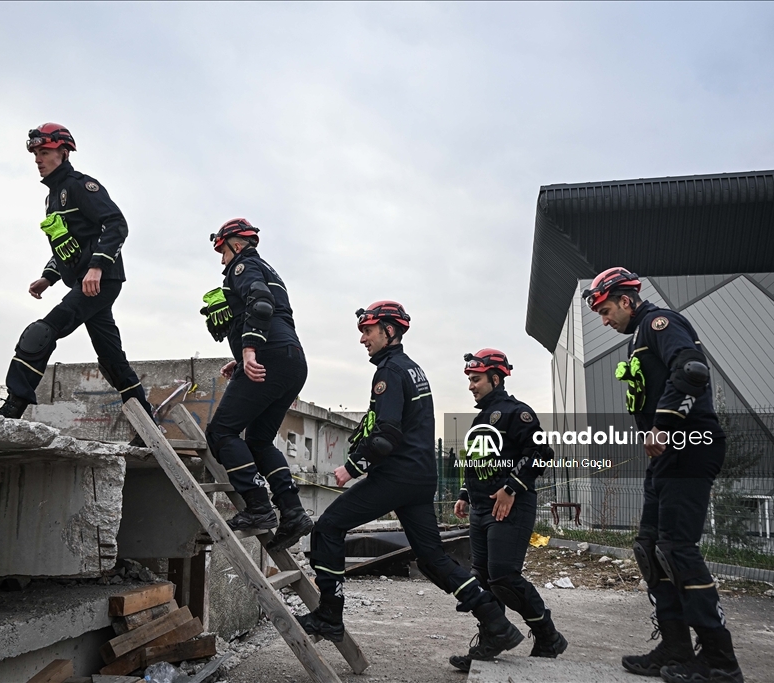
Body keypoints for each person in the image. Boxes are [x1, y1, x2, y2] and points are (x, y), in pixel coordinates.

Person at [296, 302, 524, 665]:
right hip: (420, 477)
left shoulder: (390, 371)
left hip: (398, 476)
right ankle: (495, 621)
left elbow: (386, 435)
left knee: (327, 528)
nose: (362, 338)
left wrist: (351, 468)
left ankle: (329, 615)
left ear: (389, 331)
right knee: (432, 559)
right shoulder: (413, 369)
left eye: (368, 330)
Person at [584, 268, 743, 683]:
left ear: (626, 299)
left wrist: (665, 424)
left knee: (677, 549)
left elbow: (691, 369)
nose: (604, 320)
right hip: (667, 456)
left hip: (691, 446)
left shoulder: (661, 323)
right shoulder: (639, 337)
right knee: (651, 547)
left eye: (605, 310)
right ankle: (675, 646)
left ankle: (719, 660)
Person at [0, 123, 154, 444]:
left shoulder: (81, 186)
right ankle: (147, 422)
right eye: (36, 154)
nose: (38, 159)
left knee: (42, 331)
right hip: (84, 282)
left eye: (45, 152)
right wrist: (48, 277)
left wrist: (96, 267)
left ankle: (15, 404)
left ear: (63, 153)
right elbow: (65, 246)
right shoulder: (52, 199)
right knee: (110, 357)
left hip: (101, 280)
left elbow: (116, 224)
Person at [449, 349, 567, 672]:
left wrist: (512, 487)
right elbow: (478, 462)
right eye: (470, 380)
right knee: (483, 578)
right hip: (481, 509)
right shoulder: (480, 419)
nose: (471, 386)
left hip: (510, 507)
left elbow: (542, 453)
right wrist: (463, 494)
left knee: (503, 575)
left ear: (495, 378)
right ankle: (492, 636)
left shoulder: (517, 413)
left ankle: (548, 635)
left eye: (476, 379)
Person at [201, 219, 314, 551]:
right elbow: (276, 315)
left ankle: (258, 506)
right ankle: (292, 512)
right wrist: (241, 356)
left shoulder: (244, 266)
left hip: (268, 356)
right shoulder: (269, 269)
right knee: (260, 441)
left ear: (235, 244)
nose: (222, 260)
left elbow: (261, 303)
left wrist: (250, 350)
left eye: (222, 251)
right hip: (291, 359)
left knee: (221, 432)